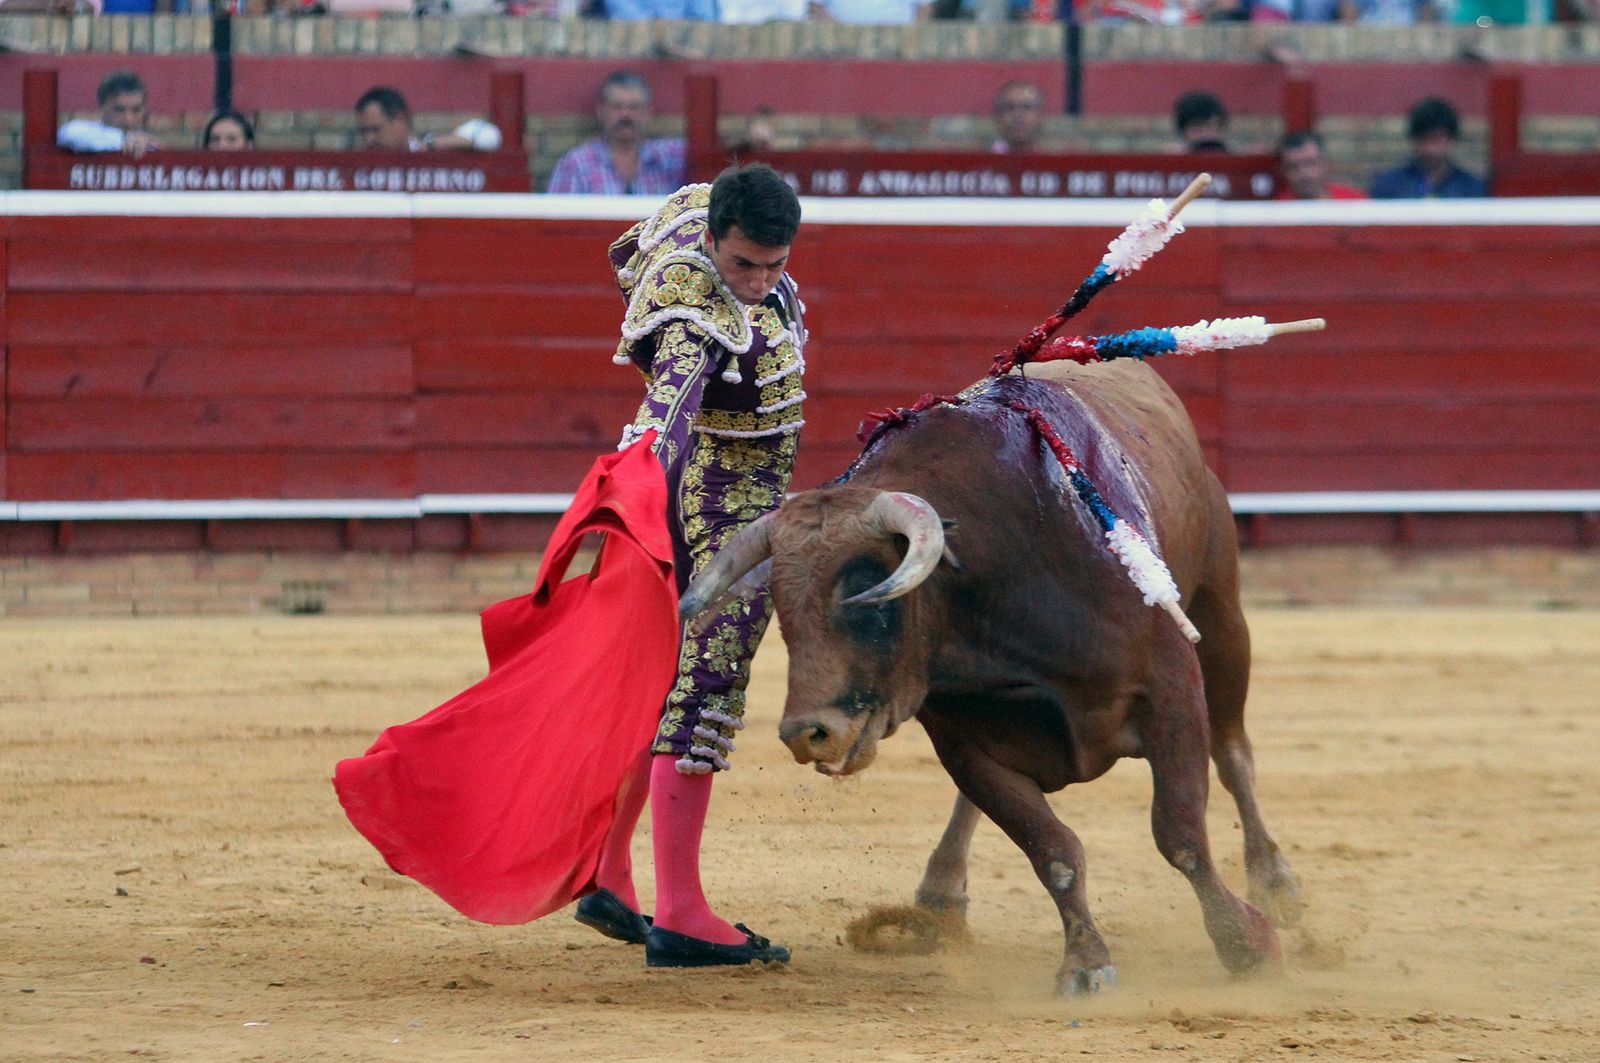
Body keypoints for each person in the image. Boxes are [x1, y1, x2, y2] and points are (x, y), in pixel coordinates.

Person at [573, 163, 804, 968]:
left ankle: (610, 871)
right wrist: (638, 470)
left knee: (664, 684)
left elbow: (632, 246)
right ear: (711, 243)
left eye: (774, 265)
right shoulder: (694, 313)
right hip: (721, 519)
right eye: (742, 264)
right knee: (705, 689)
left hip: (712, 494)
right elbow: (667, 407)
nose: (758, 282)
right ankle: (680, 912)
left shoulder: (704, 212)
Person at [547, 72, 686, 195]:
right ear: (601, 111)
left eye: (634, 107)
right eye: (617, 107)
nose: (626, 115)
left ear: (648, 112)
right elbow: (557, 215)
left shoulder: (669, 158)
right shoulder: (577, 165)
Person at [1369, 97, 1488, 199]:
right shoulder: (1389, 186)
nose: (1431, 148)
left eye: (1437, 139)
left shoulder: (1472, 188)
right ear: (1415, 140)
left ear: (1452, 140)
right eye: (1424, 139)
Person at [353, 86, 503, 152]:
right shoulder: (361, 167)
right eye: (364, 132)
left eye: (375, 130)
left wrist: (430, 145)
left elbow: (489, 136)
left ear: (399, 119)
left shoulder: (429, 150)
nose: (369, 139)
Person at [57, 69, 159, 158]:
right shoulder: (81, 132)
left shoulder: (150, 146)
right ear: (102, 106)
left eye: (136, 110)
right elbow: (68, 134)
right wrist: (123, 140)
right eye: (119, 110)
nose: (129, 118)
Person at [1275, 132, 1366, 200]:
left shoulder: (1353, 200)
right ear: (1283, 171)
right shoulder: (1277, 211)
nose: (1303, 173)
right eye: (1293, 167)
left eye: (1310, 163)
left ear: (1324, 163)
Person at [991, 80, 1043, 155]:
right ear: (998, 117)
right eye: (1009, 107)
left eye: (1026, 107)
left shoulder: (1052, 160)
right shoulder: (983, 161)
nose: (1018, 115)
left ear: (1040, 116)